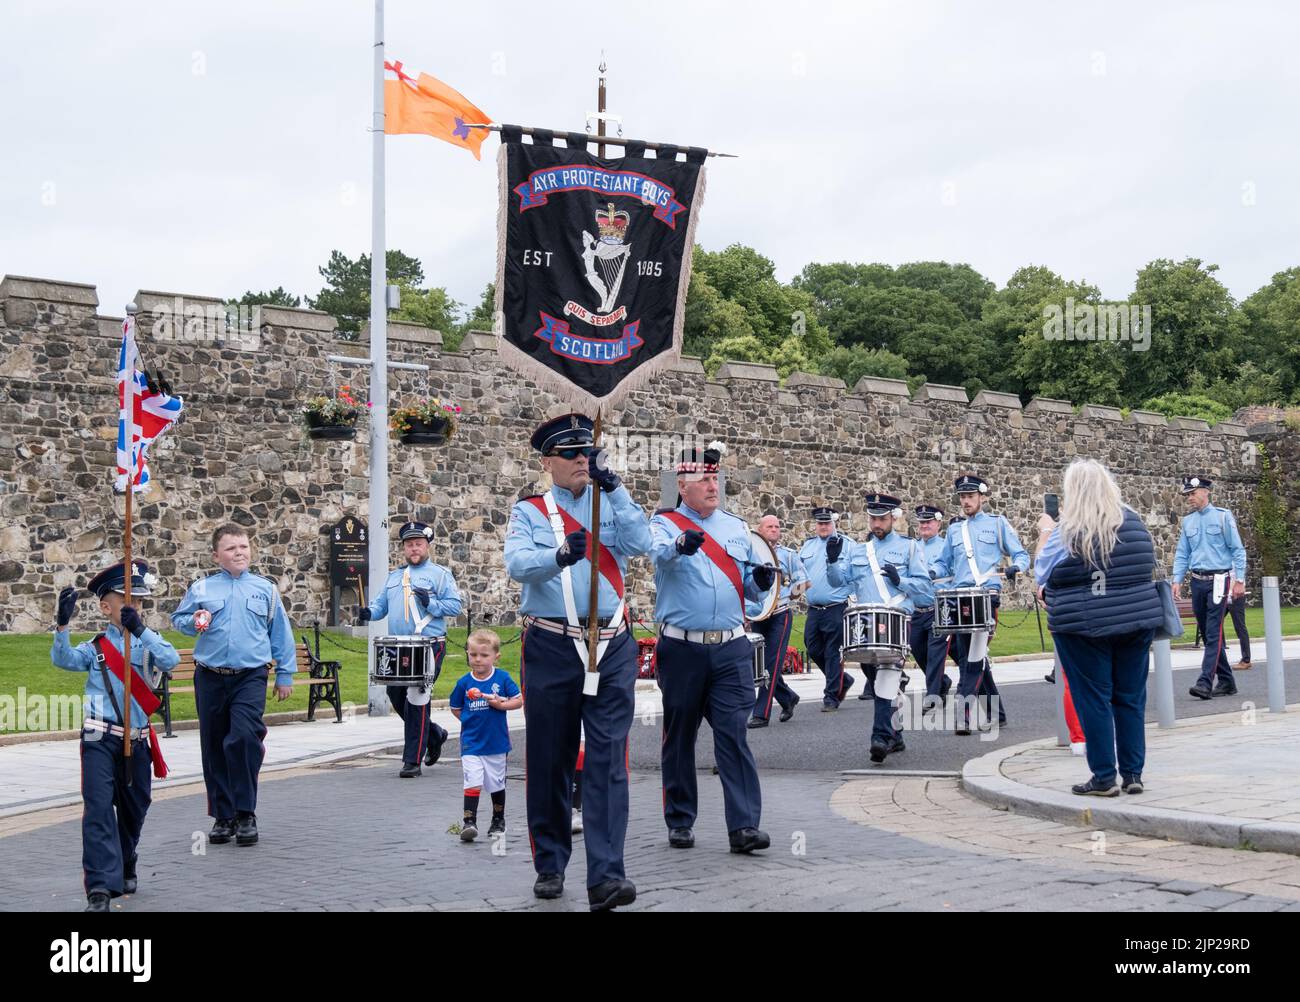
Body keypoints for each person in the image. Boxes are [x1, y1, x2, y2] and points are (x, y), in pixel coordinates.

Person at [503, 412, 651, 910]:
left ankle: (607, 875)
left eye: (587, 453)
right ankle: (550, 861)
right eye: (571, 454)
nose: (582, 461)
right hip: (551, 644)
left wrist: (618, 488)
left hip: (610, 643)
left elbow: (641, 543)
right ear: (548, 461)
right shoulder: (530, 511)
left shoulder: (610, 499)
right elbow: (518, 564)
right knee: (550, 756)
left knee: (609, 758)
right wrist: (559, 556)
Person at [651, 442, 776, 854]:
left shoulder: (736, 527)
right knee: (680, 735)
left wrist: (758, 583)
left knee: (733, 735)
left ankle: (743, 826)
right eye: (703, 479)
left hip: (730, 647)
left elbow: (752, 596)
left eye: (715, 478)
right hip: (682, 649)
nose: (712, 485)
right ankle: (681, 819)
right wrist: (677, 547)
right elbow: (658, 557)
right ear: (682, 486)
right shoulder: (664, 524)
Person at [51, 561, 179, 912]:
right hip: (98, 737)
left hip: (136, 739)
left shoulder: (149, 642)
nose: (132, 606)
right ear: (105, 607)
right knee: (97, 809)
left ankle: (126, 856)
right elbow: (63, 660)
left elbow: (170, 659)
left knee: (135, 808)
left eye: (137, 601)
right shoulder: (95, 648)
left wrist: (141, 631)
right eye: (125, 600)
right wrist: (62, 625)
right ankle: (99, 889)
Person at [1035, 459, 1163, 796]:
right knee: (1131, 697)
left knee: (1093, 698)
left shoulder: (1066, 531)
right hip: (1135, 620)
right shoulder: (1133, 521)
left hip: (1084, 626)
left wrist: (1046, 529)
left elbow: (1041, 575)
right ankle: (1133, 774)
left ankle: (1104, 776)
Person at [171, 524, 295, 847]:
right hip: (211, 676)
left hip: (250, 676)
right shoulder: (202, 589)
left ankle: (245, 813)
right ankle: (223, 817)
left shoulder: (265, 590)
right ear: (216, 555)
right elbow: (179, 620)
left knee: (242, 738)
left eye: (243, 546)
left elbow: (280, 632)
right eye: (231, 548)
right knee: (214, 746)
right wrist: (194, 620)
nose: (239, 552)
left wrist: (285, 673)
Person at [826, 493, 933, 762]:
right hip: (865, 624)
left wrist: (902, 581)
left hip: (896, 620)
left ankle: (880, 737)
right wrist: (832, 561)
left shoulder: (910, 548)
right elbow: (840, 582)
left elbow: (926, 593)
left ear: (893, 518)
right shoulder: (858, 550)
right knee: (878, 680)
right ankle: (895, 735)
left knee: (885, 673)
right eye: (873, 518)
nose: (877, 524)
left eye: (882, 519)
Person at [358, 520, 461, 777]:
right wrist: (368, 613)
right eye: (409, 545)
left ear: (427, 546)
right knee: (395, 696)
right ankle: (434, 734)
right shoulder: (394, 577)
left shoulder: (440, 574)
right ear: (404, 548)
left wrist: (433, 604)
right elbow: (381, 606)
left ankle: (411, 761)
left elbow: (455, 606)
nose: (414, 548)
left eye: (418, 544)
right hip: (399, 646)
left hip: (429, 645)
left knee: (417, 696)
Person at [933, 473, 1030, 734]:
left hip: (986, 598)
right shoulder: (954, 530)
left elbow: (1021, 554)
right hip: (960, 598)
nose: (966, 501)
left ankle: (963, 715)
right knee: (970, 657)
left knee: (973, 658)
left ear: (982, 497)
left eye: (970, 496)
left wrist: (1015, 568)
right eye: (962, 497)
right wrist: (933, 572)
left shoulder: (998, 524)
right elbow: (943, 563)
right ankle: (997, 713)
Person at [1171, 475, 1248, 700]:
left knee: (1213, 632)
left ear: (1206, 492)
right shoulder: (1188, 522)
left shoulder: (1223, 517)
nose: (1189, 498)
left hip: (1219, 580)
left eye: (1193, 494)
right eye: (1187, 495)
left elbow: (1237, 550)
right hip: (1197, 581)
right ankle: (1226, 680)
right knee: (1206, 632)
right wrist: (1177, 579)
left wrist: (1239, 580)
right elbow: (1183, 553)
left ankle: (1205, 682)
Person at [448, 630, 522, 841]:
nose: (478, 660)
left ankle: (498, 820)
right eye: (473, 655)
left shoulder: (502, 678)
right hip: (471, 743)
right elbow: (456, 707)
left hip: (496, 743)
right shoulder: (464, 683)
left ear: (495, 656)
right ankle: (469, 822)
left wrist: (501, 704)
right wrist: (468, 721)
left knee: (496, 784)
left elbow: (518, 700)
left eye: (484, 655)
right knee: (472, 780)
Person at [747, 513, 809, 728]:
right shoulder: (752, 554)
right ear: (760, 530)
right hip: (757, 614)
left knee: (771, 664)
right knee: (759, 663)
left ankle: (761, 713)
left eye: (777, 526)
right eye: (769, 526)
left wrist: (791, 593)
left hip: (780, 614)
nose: (774, 530)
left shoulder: (789, 555)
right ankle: (787, 697)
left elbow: (804, 582)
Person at [799, 506, 861, 710]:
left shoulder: (847, 545)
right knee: (813, 647)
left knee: (833, 652)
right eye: (820, 523)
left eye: (827, 523)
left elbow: (853, 576)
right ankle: (844, 680)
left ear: (834, 523)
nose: (823, 526)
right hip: (814, 608)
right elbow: (800, 573)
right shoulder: (807, 546)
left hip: (836, 607)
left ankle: (831, 696)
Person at [910, 504, 956, 711]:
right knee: (918, 651)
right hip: (916, 609)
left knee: (935, 653)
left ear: (938, 523)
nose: (925, 525)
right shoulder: (911, 547)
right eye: (922, 522)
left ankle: (932, 695)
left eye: (929, 522)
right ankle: (943, 682)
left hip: (940, 607)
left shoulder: (946, 546)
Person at [1228, 593, 1252, 670]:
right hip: (1222, 595)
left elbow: (1240, 580)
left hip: (1235, 595)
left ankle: (1246, 660)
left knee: (1240, 627)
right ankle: (1216, 661)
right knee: (1214, 625)